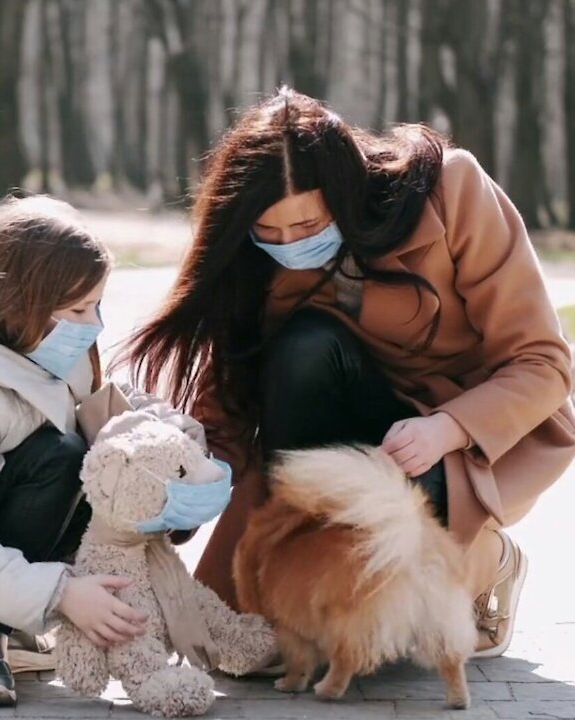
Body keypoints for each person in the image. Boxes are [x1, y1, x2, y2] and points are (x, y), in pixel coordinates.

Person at [120, 87, 575, 661]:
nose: (291, 246)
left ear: (347, 190)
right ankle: (304, 582)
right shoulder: (254, 263)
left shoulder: (452, 189)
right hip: (331, 438)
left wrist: (447, 429)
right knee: (304, 346)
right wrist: (192, 482)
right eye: (271, 232)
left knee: (396, 534)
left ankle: (489, 562)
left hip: (458, 442)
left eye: (308, 225)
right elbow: (228, 402)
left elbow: (543, 362)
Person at [0, 196, 205, 707]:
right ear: (19, 304)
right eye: (79, 309)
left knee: (103, 457)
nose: (95, 324)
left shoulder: (52, 350)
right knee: (62, 458)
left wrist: (185, 452)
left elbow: (117, 412)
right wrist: (62, 593)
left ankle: (15, 623)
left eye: (97, 305)